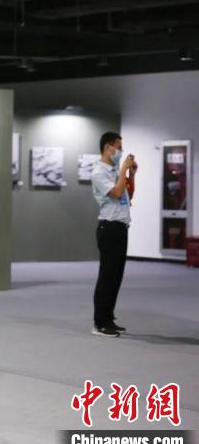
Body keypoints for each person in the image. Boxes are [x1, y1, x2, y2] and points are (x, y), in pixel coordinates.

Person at [90, 131, 138, 337]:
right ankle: (99, 323)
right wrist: (123, 169)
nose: (120, 151)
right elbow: (117, 193)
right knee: (107, 276)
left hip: (120, 227)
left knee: (116, 276)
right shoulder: (99, 173)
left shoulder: (113, 172)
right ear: (107, 147)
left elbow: (127, 195)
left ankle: (108, 318)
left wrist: (131, 175)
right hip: (108, 228)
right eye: (118, 147)